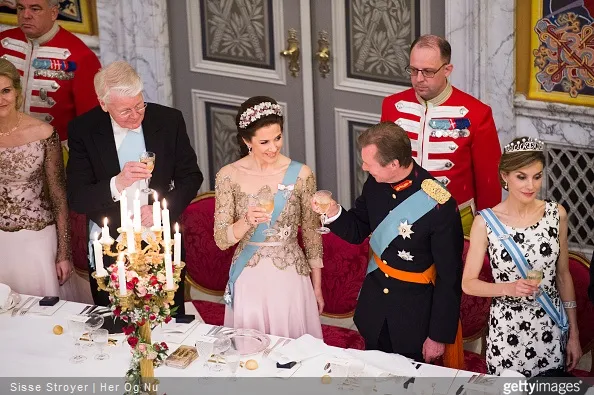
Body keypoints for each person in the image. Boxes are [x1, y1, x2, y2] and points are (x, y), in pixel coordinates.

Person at [313, 121, 464, 366]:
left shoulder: (439, 205)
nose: (363, 168)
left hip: (414, 319)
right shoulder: (375, 184)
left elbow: (450, 276)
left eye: (369, 163)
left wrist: (437, 335)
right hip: (375, 309)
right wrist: (333, 212)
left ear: (394, 164)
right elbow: (357, 230)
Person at [66, 61, 203, 315]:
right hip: (111, 244)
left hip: (160, 242)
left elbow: (191, 177)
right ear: (103, 104)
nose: (136, 115)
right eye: (125, 111)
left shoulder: (169, 120)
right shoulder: (83, 130)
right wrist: (117, 183)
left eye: (139, 105)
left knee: (168, 320)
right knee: (115, 324)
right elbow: (77, 198)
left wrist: (162, 210)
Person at [462, 137, 582, 377]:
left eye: (537, 176)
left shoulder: (556, 214)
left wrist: (574, 334)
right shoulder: (485, 222)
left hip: (549, 326)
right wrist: (509, 288)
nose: (531, 185)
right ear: (505, 176)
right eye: (522, 176)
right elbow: (469, 284)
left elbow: (563, 275)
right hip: (507, 332)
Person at [214, 96, 324, 339]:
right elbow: (222, 240)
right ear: (246, 141)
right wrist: (245, 221)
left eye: (278, 138)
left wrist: (317, 287)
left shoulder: (301, 174)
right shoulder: (228, 176)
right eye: (264, 142)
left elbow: (312, 234)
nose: (273, 148)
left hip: (290, 278)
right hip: (249, 277)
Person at [381, 34, 502, 235]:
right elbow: (381, 165)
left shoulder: (478, 113)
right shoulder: (392, 106)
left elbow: (489, 183)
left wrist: (487, 230)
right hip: (400, 214)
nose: (419, 79)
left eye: (428, 72)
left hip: (455, 218)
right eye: (413, 70)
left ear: (447, 70)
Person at [0, 57, 75, 298]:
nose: (0, 99)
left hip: (36, 239)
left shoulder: (43, 133)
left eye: (6, 91)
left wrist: (64, 252)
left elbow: (58, 194)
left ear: (17, 92)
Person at [0, 0, 101, 143]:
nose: (25, 15)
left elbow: (91, 123)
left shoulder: (81, 56)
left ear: (53, 13)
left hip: (56, 154)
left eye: (35, 9)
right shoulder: (2, 42)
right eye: (21, 8)